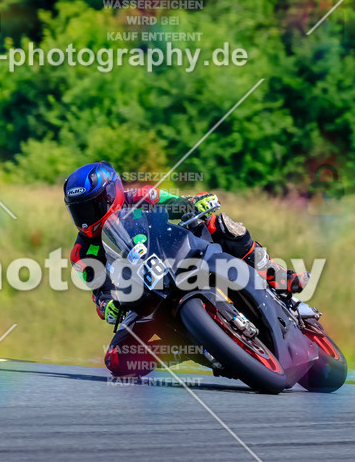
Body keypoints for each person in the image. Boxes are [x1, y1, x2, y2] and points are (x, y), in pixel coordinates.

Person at [63, 161, 310, 378]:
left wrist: (195, 202)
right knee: (117, 359)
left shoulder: (141, 196)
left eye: (91, 207)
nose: (85, 218)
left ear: (111, 194)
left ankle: (274, 274)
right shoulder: (81, 253)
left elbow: (177, 204)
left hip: (179, 258)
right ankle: (189, 348)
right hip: (143, 296)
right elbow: (100, 291)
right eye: (78, 210)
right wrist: (109, 305)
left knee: (218, 224)